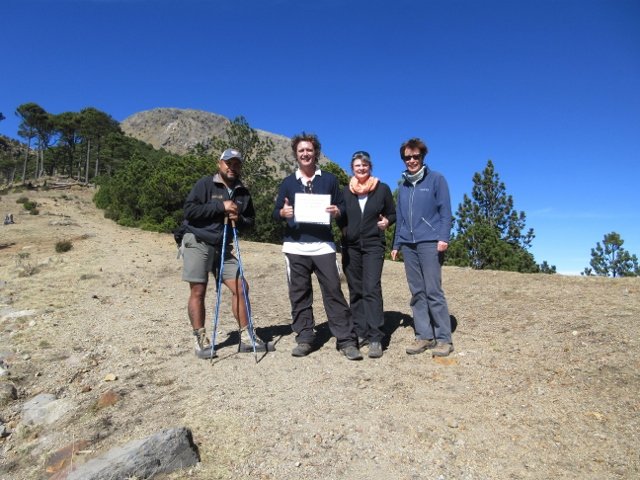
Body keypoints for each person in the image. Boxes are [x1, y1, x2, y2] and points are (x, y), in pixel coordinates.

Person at [273, 133, 362, 360]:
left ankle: (346, 340)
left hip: (323, 245)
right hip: (295, 247)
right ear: (296, 154)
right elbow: (276, 212)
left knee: (333, 291)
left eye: (309, 150)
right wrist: (283, 212)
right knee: (299, 294)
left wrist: (337, 211)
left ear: (316, 153)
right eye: (301, 150)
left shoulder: (329, 180)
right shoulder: (288, 183)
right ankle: (304, 337)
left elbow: (342, 206)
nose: (305, 154)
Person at [181, 148, 269, 358]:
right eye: (228, 163)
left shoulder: (243, 193)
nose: (232, 167)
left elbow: (251, 222)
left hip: (223, 247)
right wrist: (221, 207)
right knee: (198, 290)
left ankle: (246, 337)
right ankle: (200, 338)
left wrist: (240, 219)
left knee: (241, 287)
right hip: (199, 241)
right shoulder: (205, 184)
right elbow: (189, 211)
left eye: (236, 164)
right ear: (219, 164)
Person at [391, 138, 454, 357]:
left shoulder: (436, 179)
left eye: (415, 156)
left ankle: (444, 339)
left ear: (423, 157)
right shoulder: (403, 186)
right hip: (408, 245)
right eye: (407, 157)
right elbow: (400, 218)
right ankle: (424, 336)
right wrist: (396, 244)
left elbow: (445, 211)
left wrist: (443, 237)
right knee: (417, 292)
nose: (411, 160)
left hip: (430, 242)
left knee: (433, 290)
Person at [338, 151, 396, 358]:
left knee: (371, 289)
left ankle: (375, 337)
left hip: (373, 245)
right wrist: (345, 230)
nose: (361, 168)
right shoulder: (345, 191)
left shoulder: (382, 189)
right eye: (357, 166)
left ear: (370, 167)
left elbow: (392, 213)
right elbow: (340, 216)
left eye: (364, 165)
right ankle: (360, 331)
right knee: (355, 290)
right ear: (352, 169)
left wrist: (387, 221)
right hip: (350, 247)